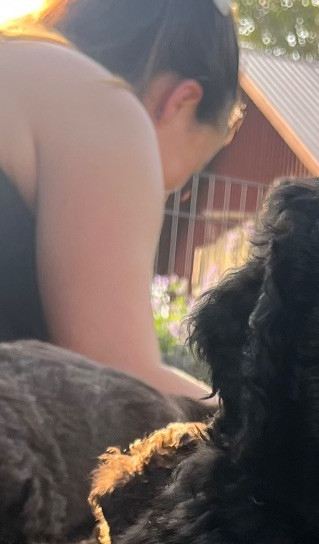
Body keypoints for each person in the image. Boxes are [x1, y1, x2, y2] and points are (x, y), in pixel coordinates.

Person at [0, 0, 241, 399]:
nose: (174, 195)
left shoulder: (19, 56)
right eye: (191, 174)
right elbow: (120, 382)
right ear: (180, 101)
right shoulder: (104, 105)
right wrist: (257, 430)